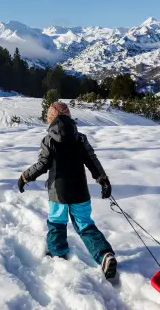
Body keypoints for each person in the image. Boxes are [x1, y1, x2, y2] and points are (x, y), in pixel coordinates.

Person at [17, 102, 117, 279]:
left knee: (57, 223)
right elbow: (91, 160)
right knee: (85, 224)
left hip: (58, 192)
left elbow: (42, 165)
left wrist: (25, 176)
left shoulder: (49, 139)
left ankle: (58, 253)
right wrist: (103, 180)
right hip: (80, 191)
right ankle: (104, 255)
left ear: (51, 117)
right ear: (69, 116)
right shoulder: (80, 138)